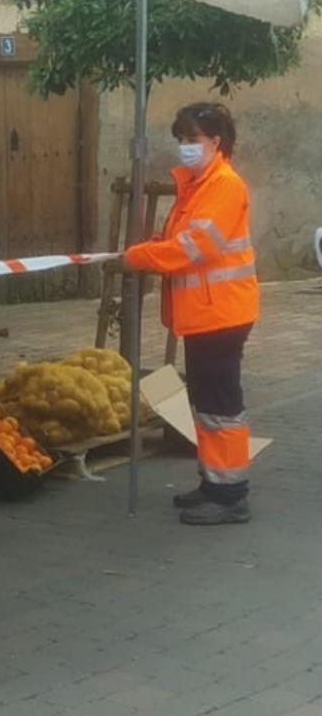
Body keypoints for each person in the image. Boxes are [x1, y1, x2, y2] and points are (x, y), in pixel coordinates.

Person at [125, 102, 258, 526]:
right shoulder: (198, 184)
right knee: (205, 402)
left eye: (192, 139)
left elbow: (192, 248)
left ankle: (230, 494)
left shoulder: (223, 185)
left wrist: (139, 255)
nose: (184, 147)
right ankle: (213, 482)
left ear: (216, 141)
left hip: (221, 314)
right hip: (206, 313)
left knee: (220, 405)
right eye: (180, 139)